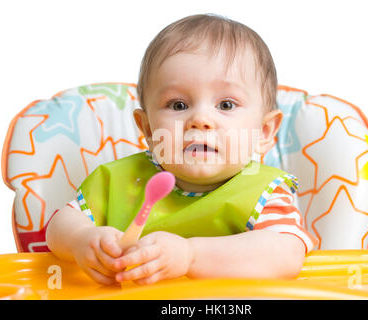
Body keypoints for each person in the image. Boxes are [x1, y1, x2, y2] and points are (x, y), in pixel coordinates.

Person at [46, 13, 318, 286]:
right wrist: (82, 240)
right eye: (178, 105)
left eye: (226, 105)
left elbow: (286, 254)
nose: (200, 120)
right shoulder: (116, 182)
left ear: (264, 132)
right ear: (149, 129)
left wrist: (189, 256)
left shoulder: (264, 192)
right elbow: (60, 224)